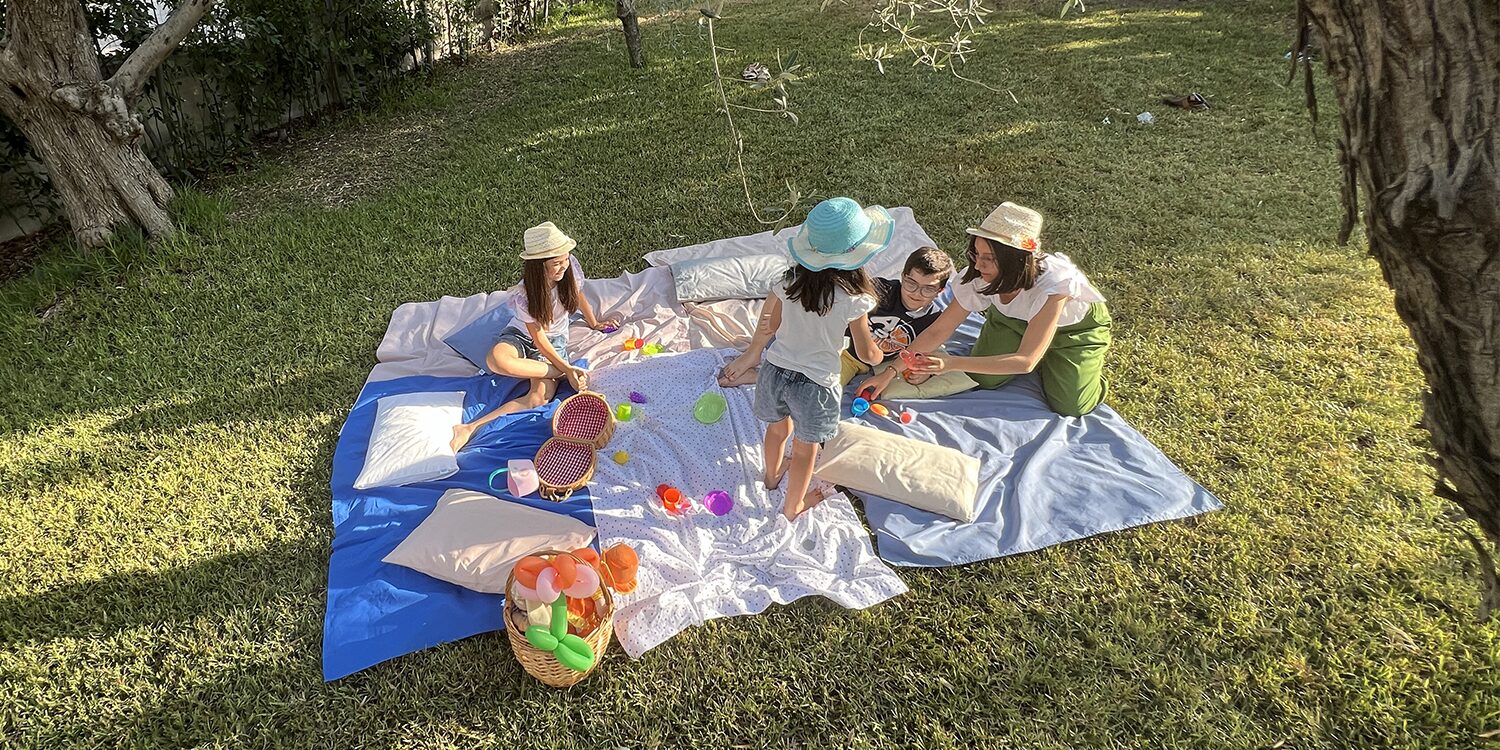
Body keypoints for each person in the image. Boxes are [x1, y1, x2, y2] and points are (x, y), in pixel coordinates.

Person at [719, 197, 888, 519]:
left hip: (774, 371)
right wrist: (879, 350)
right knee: (806, 446)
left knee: (777, 429)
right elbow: (867, 354)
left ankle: (770, 477)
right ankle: (794, 506)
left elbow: (776, 325)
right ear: (857, 255)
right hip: (817, 384)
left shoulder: (787, 283)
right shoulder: (854, 301)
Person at [874, 202, 1111, 416]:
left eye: (989, 258)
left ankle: (1079, 365)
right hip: (1012, 321)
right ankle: (1034, 346)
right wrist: (891, 371)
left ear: (1016, 260)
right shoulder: (978, 276)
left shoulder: (1054, 285)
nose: (978, 264)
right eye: (976, 253)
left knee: (1072, 407)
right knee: (984, 378)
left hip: (1073, 332)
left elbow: (1026, 361)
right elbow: (938, 331)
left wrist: (950, 364)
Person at [451, 221, 619, 451]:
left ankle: (470, 428)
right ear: (540, 266)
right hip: (522, 335)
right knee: (495, 360)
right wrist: (566, 369)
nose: (564, 266)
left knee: (538, 398)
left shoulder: (569, 269)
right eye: (556, 263)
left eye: (566, 259)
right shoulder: (525, 295)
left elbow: (578, 295)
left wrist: (595, 322)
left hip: (554, 340)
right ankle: (558, 371)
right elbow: (537, 338)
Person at [841, 245, 954, 394]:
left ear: (940, 291)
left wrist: (925, 373)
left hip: (864, 362)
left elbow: (925, 354)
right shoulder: (880, 290)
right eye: (911, 283)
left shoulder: (933, 322)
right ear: (902, 277)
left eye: (928, 289)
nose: (916, 293)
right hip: (842, 346)